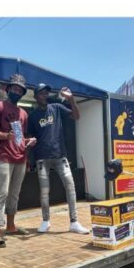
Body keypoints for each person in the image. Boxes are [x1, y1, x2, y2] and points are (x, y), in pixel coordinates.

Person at [28, 83, 89, 234]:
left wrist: (71, 99)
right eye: (41, 93)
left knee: (70, 186)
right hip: (41, 158)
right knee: (44, 191)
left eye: (46, 93)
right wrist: (30, 143)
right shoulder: (32, 116)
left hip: (60, 156)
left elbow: (76, 116)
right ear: (35, 97)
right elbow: (29, 136)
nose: (45, 95)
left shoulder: (56, 107)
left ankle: (74, 222)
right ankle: (45, 221)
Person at [0, 74, 37, 247]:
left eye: (20, 90)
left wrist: (29, 141)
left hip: (20, 157)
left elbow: (19, 137)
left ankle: (10, 225)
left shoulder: (23, 113)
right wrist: (5, 136)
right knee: (2, 193)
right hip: (4, 157)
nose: (17, 91)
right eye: (14, 88)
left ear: (22, 93)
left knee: (15, 193)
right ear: (8, 89)